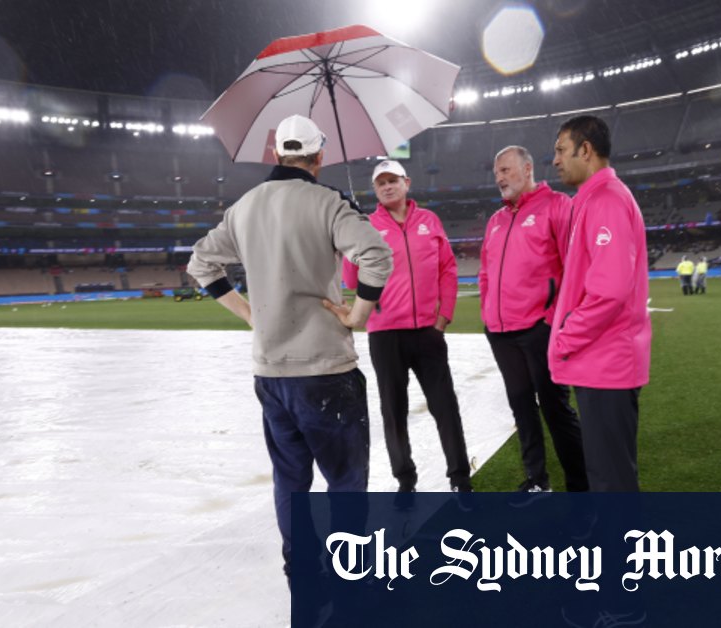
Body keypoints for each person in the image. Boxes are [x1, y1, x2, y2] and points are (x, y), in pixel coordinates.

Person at [187, 114, 393, 586]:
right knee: (345, 480)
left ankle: (300, 569)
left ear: (275, 153)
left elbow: (201, 264)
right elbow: (377, 256)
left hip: (271, 372)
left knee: (291, 480)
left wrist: (248, 314)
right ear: (319, 157)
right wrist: (359, 314)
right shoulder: (328, 202)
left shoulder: (244, 207)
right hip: (326, 368)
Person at [340, 160, 473, 493]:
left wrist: (443, 317)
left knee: (445, 406)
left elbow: (448, 269)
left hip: (428, 332)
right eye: (381, 182)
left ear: (406, 183)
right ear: (375, 189)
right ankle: (405, 479)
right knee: (393, 412)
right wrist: (352, 243)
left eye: (393, 180)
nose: (387, 186)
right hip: (385, 334)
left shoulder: (429, 221)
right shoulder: (367, 226)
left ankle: (460, 478)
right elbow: (351, 281)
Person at [548, 115, 651, 494]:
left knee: (611, 482)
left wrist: (565, 337)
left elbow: (610, 290)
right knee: (605, 476)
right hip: (599, 361)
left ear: (586, 150)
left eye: (561, 150)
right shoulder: (593, 200)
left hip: (606, 361)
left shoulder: (606, 200)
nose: (556, 160)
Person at [479, 145, 588, 495]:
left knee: (555, 409)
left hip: (540, 330)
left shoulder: (557, 206)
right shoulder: (496, 221)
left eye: (505, 170)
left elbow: (575, 267)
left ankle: (582, 488)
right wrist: (487, 314)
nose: (499, 178)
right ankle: (537, 480)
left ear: (527, 169)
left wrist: (552, 320)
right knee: (521, 409)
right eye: (496, 172)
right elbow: (485, 272)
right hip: (501, 333)